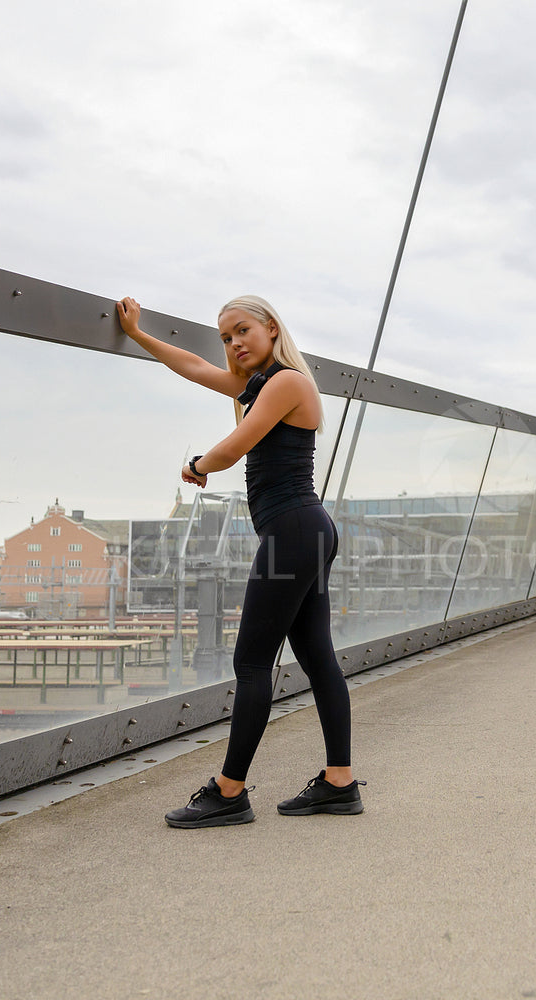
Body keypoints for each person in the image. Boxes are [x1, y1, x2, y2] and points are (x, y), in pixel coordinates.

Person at [116, 294, 363, 827]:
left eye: (243, 330)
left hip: (295, 534)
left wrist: (197, 464)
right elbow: (196, 367)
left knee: (251, 663)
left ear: (272, 328)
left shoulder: (288, 383)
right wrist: (139, 335)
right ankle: (339, 783)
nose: (233, 344)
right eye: (226, 337)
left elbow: (234, 448)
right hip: (302, 532)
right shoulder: (261, 385)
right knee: (317, 657)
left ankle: (229, 793)